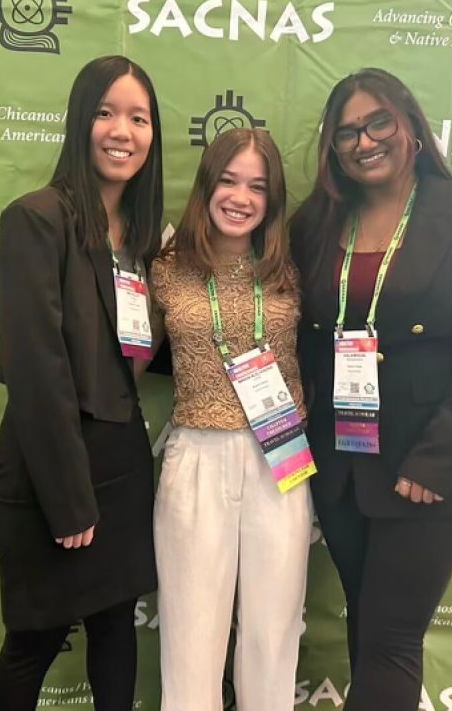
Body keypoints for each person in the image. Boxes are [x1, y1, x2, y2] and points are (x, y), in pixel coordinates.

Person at [289, 67, 452, 709]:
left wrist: (437, 459)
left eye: (377, 123)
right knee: (371, 631)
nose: (364, 141)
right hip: (341, 467)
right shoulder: (314, 224)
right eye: (347, 133)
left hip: (427, 470)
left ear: (411, 125)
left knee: (389, 638)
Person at [0, 55, 163, 711]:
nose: (123, 131)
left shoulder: (145, 240)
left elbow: (147, 352)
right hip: (51, 469)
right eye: (106, 112)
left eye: (139, 118)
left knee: (116, 628)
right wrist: (68, 499)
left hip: (122, 461)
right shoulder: (37, 219)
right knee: (34, 640)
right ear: (79, 121)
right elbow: (36, 369)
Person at [150, 127, 313, 711]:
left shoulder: (290, 266)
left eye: (258, 186)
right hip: (196, 451)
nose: (241, 197)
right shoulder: (166, 266)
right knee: (191, 634)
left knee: (273, 632)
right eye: (228, 180)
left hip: (281, 453)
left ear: (272, 198)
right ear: (206, 186)